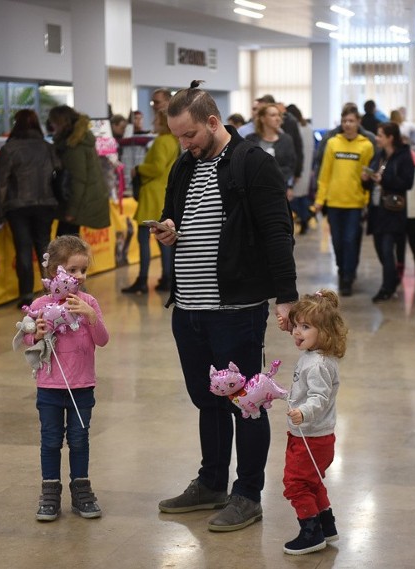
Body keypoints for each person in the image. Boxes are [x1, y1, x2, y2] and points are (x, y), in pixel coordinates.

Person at [152, 81, 297, 533]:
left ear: (213, 122)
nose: (185, 144)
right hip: (190, 307)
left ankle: (247, 494)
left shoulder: (254, 164)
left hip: (236, 309)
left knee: (245, 403)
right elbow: (175, 212)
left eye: (190, 135)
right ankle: (211, 482)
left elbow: (277, 232)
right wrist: (170, 229)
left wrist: (286, 295)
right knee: (207, 401)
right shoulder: (185, 166)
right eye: (179, 136)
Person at [18, 235, 109, 522]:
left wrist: (91, 317)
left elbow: (103, 340)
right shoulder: (41, 303)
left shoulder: (89, 302)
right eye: (72, 270)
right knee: (50, 439)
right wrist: (38, 333)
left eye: (83, 270)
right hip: (49, 386)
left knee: (80, 439)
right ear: (54, 271)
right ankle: (50, 491)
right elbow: (28, 338)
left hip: (82, 386)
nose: (79, 277)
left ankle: (81, 488)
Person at [280, 289, 346, 555]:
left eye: (305, 327)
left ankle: (310, 533)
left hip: (311, 436)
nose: (297, 332)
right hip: (315, 436)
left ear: (325, 333)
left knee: (295, 483)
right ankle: (326, 526)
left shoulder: (317, 364)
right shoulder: (315, 354)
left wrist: (303, 412)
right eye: (296, 325)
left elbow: (319, 397)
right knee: (313, 482)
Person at [0, 109, 61, 308]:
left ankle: (25, 295)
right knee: (44, 249)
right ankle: (49, 291)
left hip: (18, 206)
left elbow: (1, 182)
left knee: (23, 249)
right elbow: (58, 170)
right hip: (46, 204)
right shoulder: (48, 147)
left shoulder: (10, 149)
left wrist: (0, 210)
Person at [315, 105, 375, 296]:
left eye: (351, 121)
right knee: (338, 242)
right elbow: (325, 173)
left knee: (350, 240)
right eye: (344, 121)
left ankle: (348, 276)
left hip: (355, 203)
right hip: (334, 202)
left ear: (358, 122)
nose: (347, 124)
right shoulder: (333, 143)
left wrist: (366, 200)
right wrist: (319, 199)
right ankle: (343, 269)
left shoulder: (366, 145)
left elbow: (368, 177)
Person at [122, 109, 179, 294]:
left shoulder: (162, 141)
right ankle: (167, 278)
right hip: (162, 193)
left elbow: (157, 166)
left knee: (143, 239)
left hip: (152, 194)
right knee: (164, 240)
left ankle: (142, 280)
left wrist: (138, 168)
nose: (153, 122)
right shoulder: (174, 141)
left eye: (155, 119)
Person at [364, 122, 415, 303]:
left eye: (380, 135)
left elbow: (407, 183)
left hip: (393, 211)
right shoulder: (378, 156)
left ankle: (386, 287)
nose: (376, 138)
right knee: (380, 249)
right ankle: (392, 280)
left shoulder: (403, 156)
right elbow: (371, 181)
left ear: (390, 138)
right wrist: (367, 179)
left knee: (386, 249)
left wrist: (383, 179)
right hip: (377, 210)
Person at [48, 105, 111, 236]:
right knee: (69, 243)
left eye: (53, 122)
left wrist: (72, 210)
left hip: (80, 202)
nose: (52, 126)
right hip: (86, 199)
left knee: (65, 244)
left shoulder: (73, 147)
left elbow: (78, 180)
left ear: (60, 122)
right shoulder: (80, 140)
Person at [246, 103, 298, 188]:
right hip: (255, 188)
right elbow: (246, 165)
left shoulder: (286, 140)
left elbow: (290, 166)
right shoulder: (251, 140)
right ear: (263, 119)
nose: (278, 118)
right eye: (273, 115)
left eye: (279, 115)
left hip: (278, 188)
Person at [286, 104, 315, 235]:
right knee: (302, 197)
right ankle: (305, 218)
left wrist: (296, 169)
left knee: (293, 199)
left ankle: (305, 217)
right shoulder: (308, 127)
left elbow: (296, 150)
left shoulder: (295, 128)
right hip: (307, 168)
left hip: (298, 167)